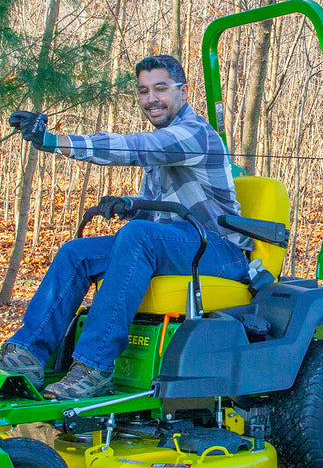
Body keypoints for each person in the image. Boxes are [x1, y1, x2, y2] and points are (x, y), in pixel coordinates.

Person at [0, 55, 251, 399]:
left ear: (184, 91)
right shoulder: (162, 145)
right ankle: (28, 352)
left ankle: (94, 366)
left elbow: (133, 148)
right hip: (174, 246)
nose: (151, 99)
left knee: (137, 237)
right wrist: (129, 206)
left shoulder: (194, 134)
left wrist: (55, 141)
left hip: (220, 251)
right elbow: (156, 220)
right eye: (144, 91)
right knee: (77, 253)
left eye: (161, 88)